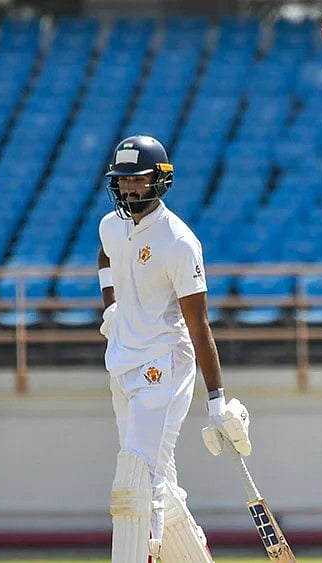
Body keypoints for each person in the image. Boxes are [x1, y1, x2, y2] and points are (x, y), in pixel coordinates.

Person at [97, 135, 252, 563]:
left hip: (164, 365)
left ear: (161, 180)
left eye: (138, 179)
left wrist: (217, 399)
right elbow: (105, 256)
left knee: (137, 481)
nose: (129, 188)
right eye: (122, 180)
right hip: (122, 364)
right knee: (159, 476)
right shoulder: (112, 226)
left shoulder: (179, 241)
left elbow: (198, 324)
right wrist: (111, 308)